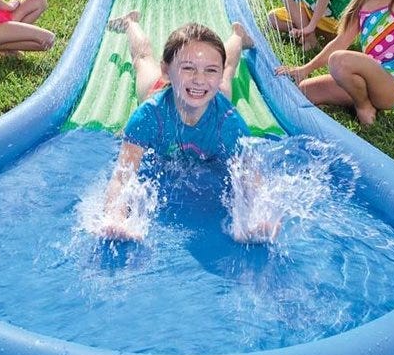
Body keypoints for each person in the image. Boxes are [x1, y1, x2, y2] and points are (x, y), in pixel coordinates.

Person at [100, 18, 276, 242]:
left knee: (229, 71)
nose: (199, 79)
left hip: (215, 98)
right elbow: (122, 176)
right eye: (188, 68)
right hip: (159, 91)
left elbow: (252, 178)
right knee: (142, 60)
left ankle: (238, 35)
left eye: (211, 70)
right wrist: (116, 218)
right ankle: (130, 23)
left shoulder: (229, 124)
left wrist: (259, 219)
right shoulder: (148, 116)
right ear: (167, 70)